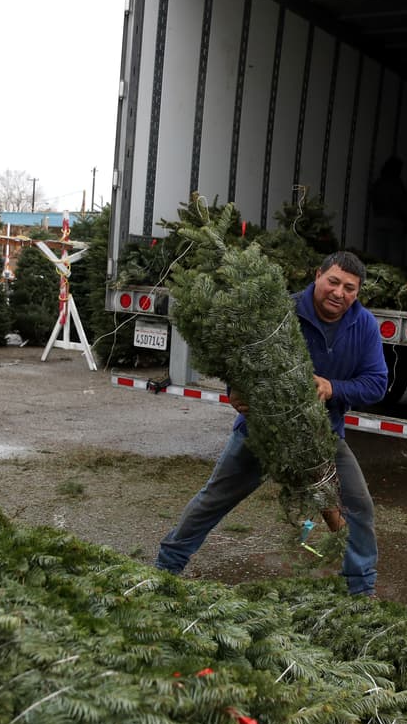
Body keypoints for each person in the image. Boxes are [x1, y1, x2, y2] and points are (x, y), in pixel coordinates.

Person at [155, 250, 388, 596]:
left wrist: (332, 387)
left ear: (357, 293)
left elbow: (376, 383)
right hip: (263, 430)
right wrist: (236, 391)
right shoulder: (281, 311)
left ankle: (361, 590)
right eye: (333, 282)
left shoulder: (363, 324)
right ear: (318, 275)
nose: (339, 293)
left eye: (350, 288)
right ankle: (166, 567)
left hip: (321, 435)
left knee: (358, 507)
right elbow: (242, 360)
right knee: (214, 498)